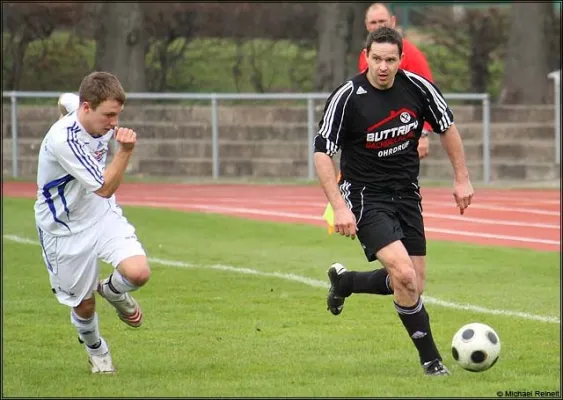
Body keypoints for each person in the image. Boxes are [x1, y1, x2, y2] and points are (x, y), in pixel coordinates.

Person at [313, 27, 474, 376]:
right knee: (403, 275)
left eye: (390, 60)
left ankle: (347, 283)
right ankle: (431, 361)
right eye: (376, 59)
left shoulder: (417, 87)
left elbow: (447, 128)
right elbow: (322, 152)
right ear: (366, 57)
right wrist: (340, 206)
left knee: (412, 280)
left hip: (407, 193)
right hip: (365, 195)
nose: (383, 67)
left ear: (401, 59)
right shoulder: (348, 96)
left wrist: (461, 177)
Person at [34, 71, 150, 374]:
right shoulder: (64, 140)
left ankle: (112, 289)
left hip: (100, 214)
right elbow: (105, 187)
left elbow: (66, 99)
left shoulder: (85, 109)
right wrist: (125, 151)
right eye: (109, 116)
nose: (114, 123)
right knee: (84, 306)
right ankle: (97, 349)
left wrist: (65, 105)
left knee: (138, 273)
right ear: (87, 108)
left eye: (117, 115)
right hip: (64, 228)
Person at [359, 2, 434, 159]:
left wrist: (423, 133)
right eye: (373, 22)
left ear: (393, 21)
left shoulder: (411, 54)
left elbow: (427, 95)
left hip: (403, 131)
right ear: (366, 25)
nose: (378, 26)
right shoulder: (365, 56)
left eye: (382, 21)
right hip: (376, 134)